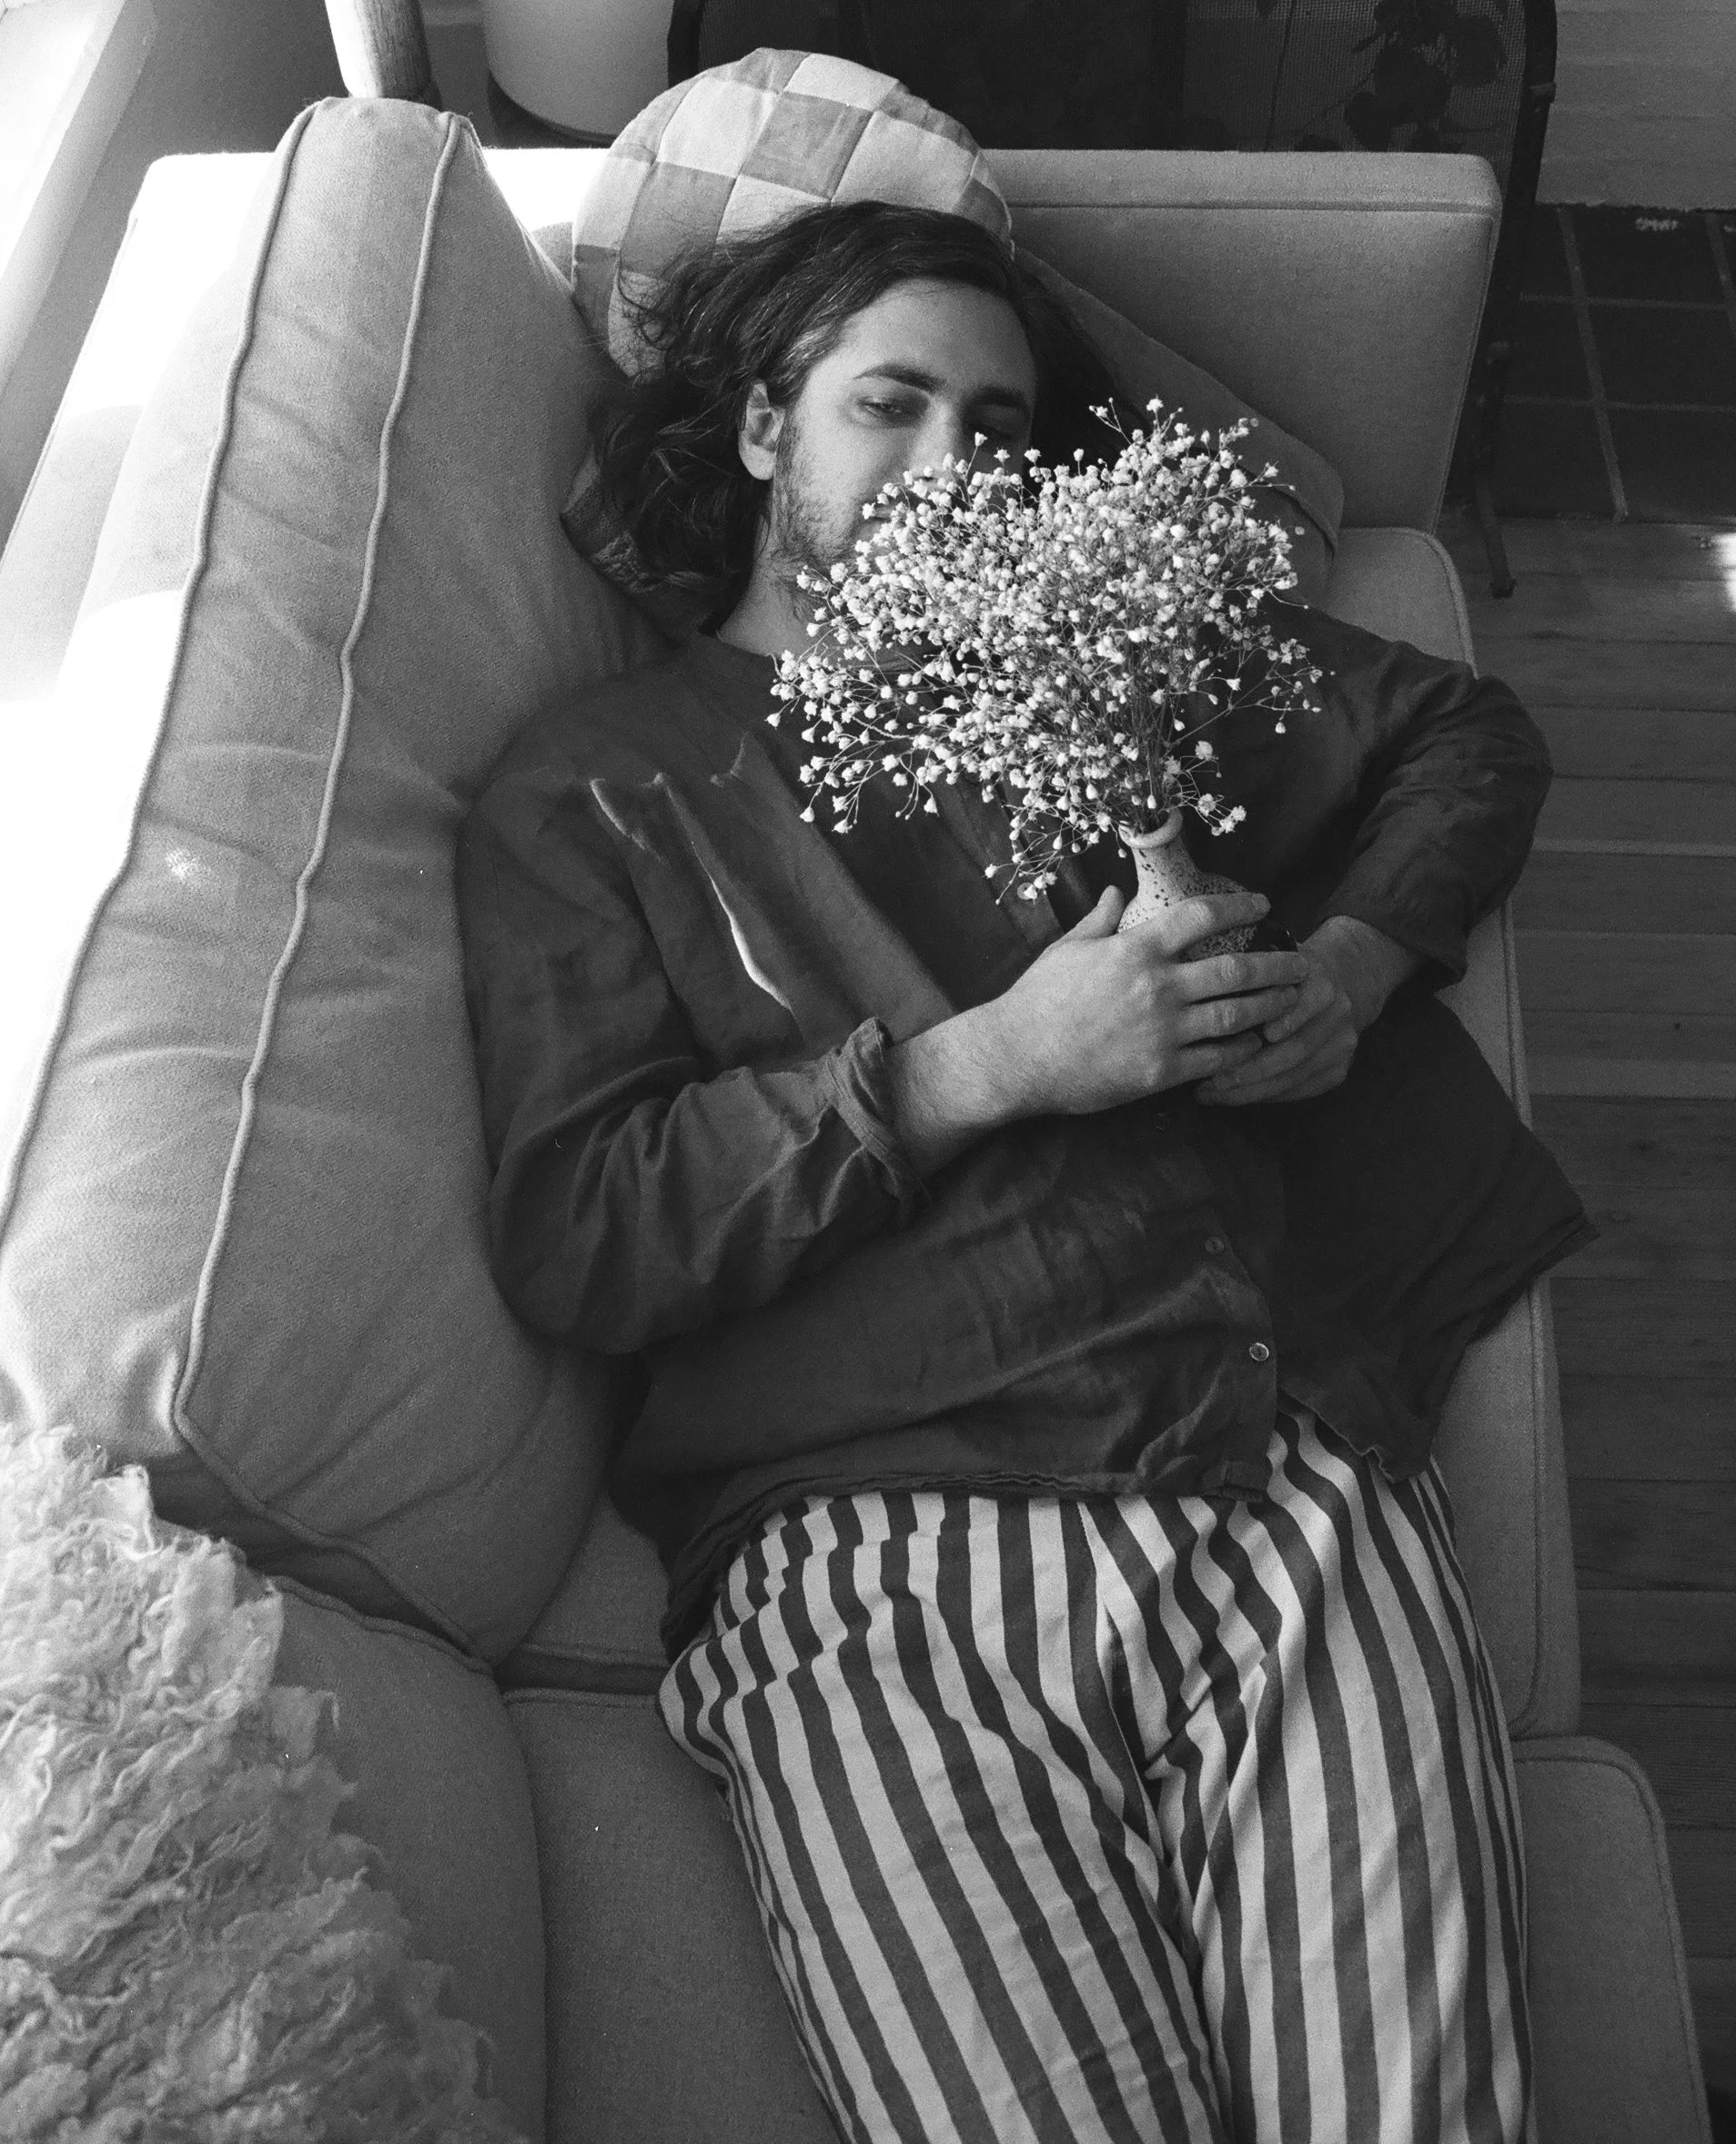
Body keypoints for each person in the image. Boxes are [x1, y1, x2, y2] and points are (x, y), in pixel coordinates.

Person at [458, 200, 1588, 2144]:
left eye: (996, 424)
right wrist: (997, 1060)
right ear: (765, 428)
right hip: (874, 1556)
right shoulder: (603, 786)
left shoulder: (1091, 650)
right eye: (889, 403)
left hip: (1279, 1478)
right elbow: (589, 1228)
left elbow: (1466, 740)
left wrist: (1343, 971)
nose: (950, 466)